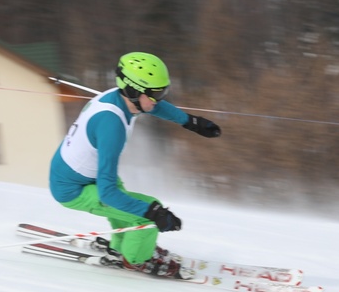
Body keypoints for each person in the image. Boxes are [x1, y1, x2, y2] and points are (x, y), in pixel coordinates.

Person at [49, 52, 221, 279]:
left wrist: (191, 122)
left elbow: (154, 106)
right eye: (156, 94)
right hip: (72, 188)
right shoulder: (112, 127)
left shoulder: (121, 98)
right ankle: (137, 259)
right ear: (132, 90)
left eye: (162, 92)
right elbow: (108, 193)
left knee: (131, 204)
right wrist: (153, 213)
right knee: (147, 213)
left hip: (78, 172)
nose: (159, 99)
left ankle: (122, 247)